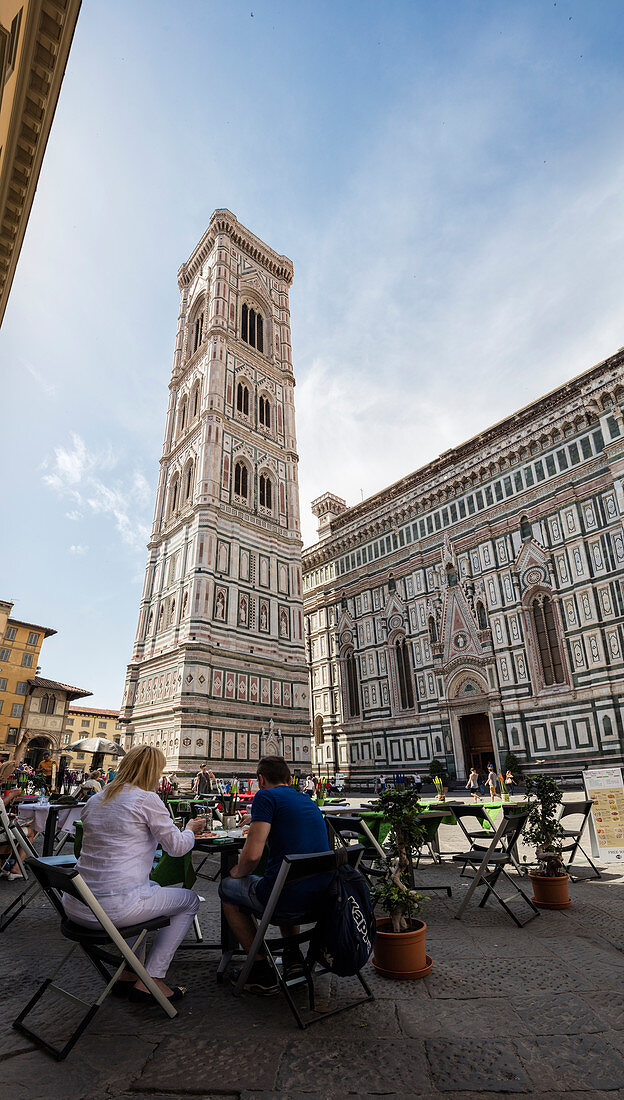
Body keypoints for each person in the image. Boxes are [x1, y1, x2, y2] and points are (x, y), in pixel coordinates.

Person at [62, 744, 205, 1003]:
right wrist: (192, 829)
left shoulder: (96, 799)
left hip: (77, 905)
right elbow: (177, 848)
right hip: (112, 910)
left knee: (151, 892)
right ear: (153, 772)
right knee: (188, 901)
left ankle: (128, 973)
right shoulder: (146, 799)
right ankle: (152, 979)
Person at [219, 755, 332, 995]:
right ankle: (293, 958)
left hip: (285, 900)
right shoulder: (306, 799)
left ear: (261, 779)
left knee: (228, 887)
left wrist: (236, 871)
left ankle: (259, 968)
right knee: (283, 880)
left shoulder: (265, 796)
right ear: (289, 779)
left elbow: (251, 858)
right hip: (321, 897)